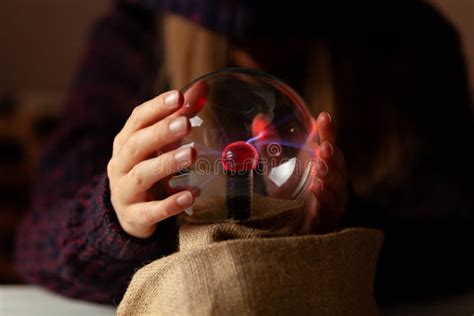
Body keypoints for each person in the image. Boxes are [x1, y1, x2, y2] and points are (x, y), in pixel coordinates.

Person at [14, 0, 474, 305]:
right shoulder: (131, 40)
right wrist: (117, 218)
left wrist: (339, 236)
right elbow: (36, 245)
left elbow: (456, 248)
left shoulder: (412, 41)